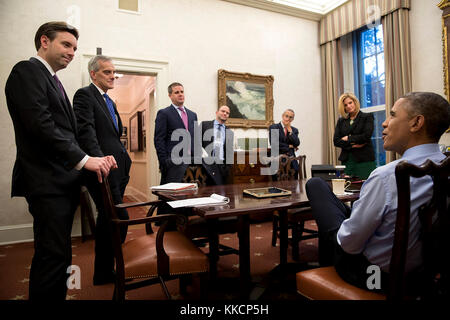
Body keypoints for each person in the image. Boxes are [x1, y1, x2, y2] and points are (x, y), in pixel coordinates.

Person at [5, 21, 117, 300]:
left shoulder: (53, 80)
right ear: (44, 41)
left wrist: (94, 158)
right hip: (46, 182)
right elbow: (41, 126)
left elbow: (69, 132)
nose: (71, 52)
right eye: (66, 45)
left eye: (75, 48)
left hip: (61, 182)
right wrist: (83, 160)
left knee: (61, 254)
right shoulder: (26, 71)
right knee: (52, 257)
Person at [306, 92, 450, 292]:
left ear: (416, 123)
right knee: (350, 211)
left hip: (375, 277)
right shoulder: (444, 167)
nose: (384, 123)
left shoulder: (386, 176)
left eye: (392, 115)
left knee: (316, 185)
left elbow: (349, 245)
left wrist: (343, 232)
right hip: (422, 274)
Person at [73, 55, 132, 285]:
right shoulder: (84, 95)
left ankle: (104, 272)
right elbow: (85, 132)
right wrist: (99, 160)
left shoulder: (110, 101)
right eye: (107, 72)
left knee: (108, 217)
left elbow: (113, 135)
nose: (112, 76)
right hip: (101, 170)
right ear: (93, 74)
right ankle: (107, 269)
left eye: (113, 72)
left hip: (118, 170)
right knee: (119, 216)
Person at [154, 82, 198, 184]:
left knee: (191, 197)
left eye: (182, 92)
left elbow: (195, 139)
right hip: (172, 164)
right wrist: (164, 162)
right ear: (170, 96)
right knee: (172, 197)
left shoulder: (193, 115)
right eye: (176, 92)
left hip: (191, 164)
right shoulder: (164, 113)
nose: (180, 94)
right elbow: (159, 140)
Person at [333, 93, 376, 179]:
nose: (348, 106)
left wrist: (348, 138)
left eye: (350, 103)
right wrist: (355, 143)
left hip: (364, 160)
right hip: (347, 160)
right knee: (348, 187)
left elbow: (366, 136)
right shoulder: (341, 121)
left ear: (355, 102)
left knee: (365, 186)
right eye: (345, 105)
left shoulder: (367, 117)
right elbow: (336, 141)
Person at [200, 105, 234, 185]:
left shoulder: (229, 132)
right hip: (206, 165)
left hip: (221, 167)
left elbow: (229, 152)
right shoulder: (205, 125)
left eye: (227, 113)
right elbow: (197, 143)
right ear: (217, 112)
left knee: (220, 193)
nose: (225, 113)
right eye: (223, 111)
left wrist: (227, 168)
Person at [268, 109, 300, 178]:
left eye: (290, 117)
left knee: (296, 172)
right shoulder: (274, 127)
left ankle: (292, 189)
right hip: (277, 158)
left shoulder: (294, 130)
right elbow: (274, 144)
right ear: (283, 116)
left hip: (291, 158)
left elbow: (297, 143)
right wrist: (289, 146)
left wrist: (290, 131)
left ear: (293, 119)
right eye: (286, 116)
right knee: (276, 176)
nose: (288, 119)